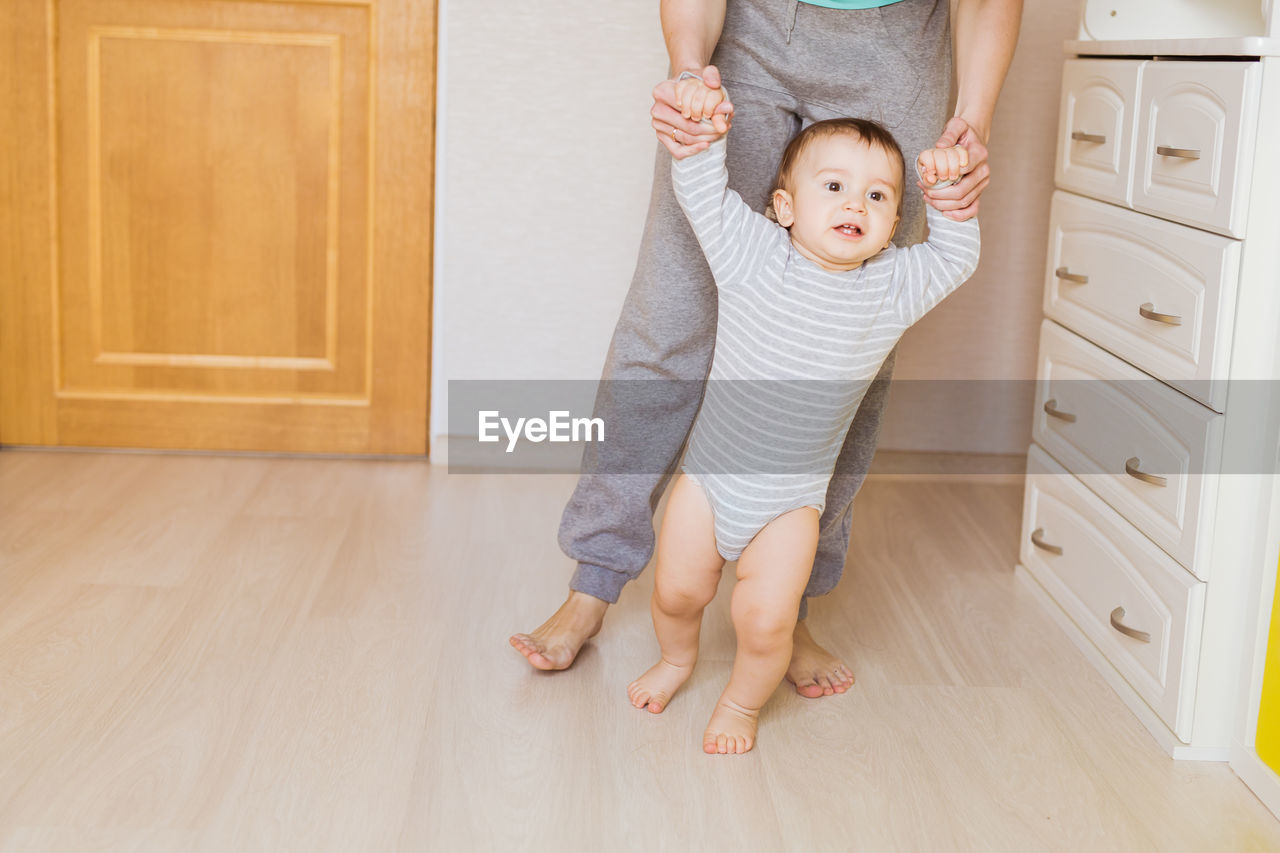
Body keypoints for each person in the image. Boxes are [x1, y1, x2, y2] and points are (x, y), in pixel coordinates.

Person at [510, 0, 1022, 694]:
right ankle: (593, 581)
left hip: (900, 45)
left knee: (853, 343)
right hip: (750, 28)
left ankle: (791, 607)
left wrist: (975, 119)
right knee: (667, 322)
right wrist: (691, 73)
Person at [627, 102, 979, 753]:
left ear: (893, 225)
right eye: (836, 186)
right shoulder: (752, 256)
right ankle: (676, 661)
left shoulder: (892, 286)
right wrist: (701, 132)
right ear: (785, 207)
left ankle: (740, 701)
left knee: (765, 621)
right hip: (708, 481)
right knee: (677, 591)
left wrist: (952, 190)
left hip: (789, 502)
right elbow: (702, 191)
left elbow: (956, 257)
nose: (857, 203)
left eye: (878, 194)